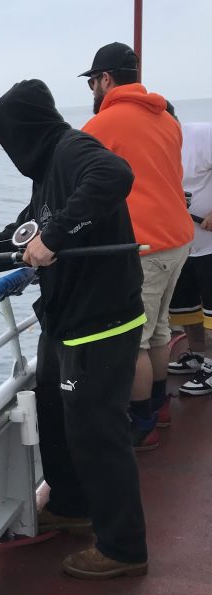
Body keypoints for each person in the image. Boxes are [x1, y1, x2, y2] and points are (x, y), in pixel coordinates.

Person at [0, 79, 147, 580]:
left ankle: (124, 548)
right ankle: (73, 504)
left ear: (23, 131)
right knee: (56, 414)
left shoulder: (73, 150)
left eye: (7, 140)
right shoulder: (47, 175)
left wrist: (55, 236)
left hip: (101, 323)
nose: (9, 152)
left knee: (99, 434)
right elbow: (27, 232)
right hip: (65, 322)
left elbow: (114, 174)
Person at [80, 42, 194, 450]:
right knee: (160, 329)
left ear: (106, 79)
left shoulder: (100, 126)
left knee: (136, 342)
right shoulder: (166, 117)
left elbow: (79, 189)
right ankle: (160, 408)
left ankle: (141, 424)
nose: (92, 90)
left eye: (92, 81)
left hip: (143, 247)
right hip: (178, 239)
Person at [167, 122, 212, 396]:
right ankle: (196, 355)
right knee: (187, 309)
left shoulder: (200, 136)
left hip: (209, 246)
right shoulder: (149, 149)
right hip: (179, 246)